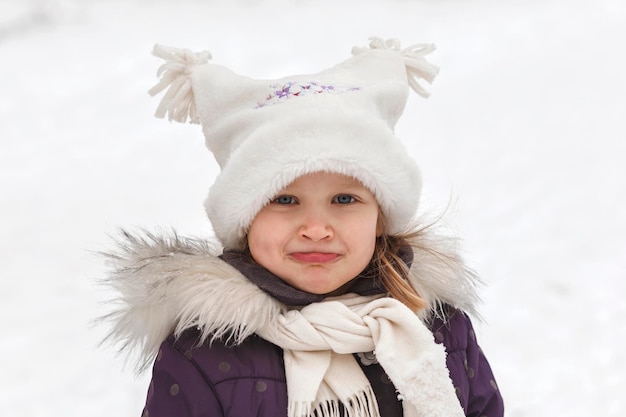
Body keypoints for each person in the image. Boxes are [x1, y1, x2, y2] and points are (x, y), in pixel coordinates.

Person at [102, 37, 504, 417]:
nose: (315, 228)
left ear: (380, 217)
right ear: (244, 219)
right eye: (284, 200)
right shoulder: (206, 353)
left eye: (344, 200)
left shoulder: (436, 328)